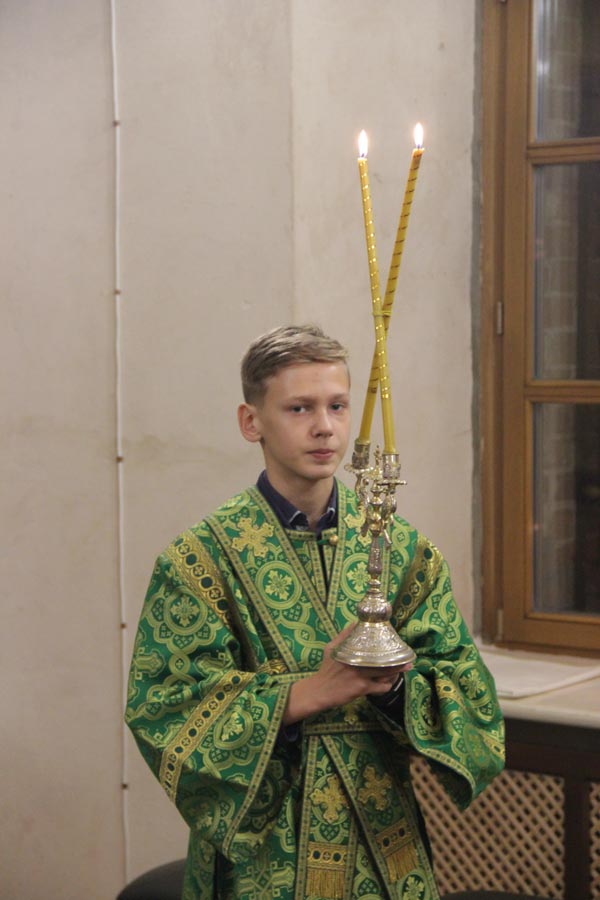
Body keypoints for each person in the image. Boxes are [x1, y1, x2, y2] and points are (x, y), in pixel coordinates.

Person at [125, 324, 504, 900]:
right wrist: (309, 692)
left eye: (337, 406)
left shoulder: (403, 550)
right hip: (264, 855)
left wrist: (396, 690)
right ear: (251, 422)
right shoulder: (199, 560)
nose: (324, 426)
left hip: (383, 838)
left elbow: (469, 692)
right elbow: (165, 707)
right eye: (299, 408)